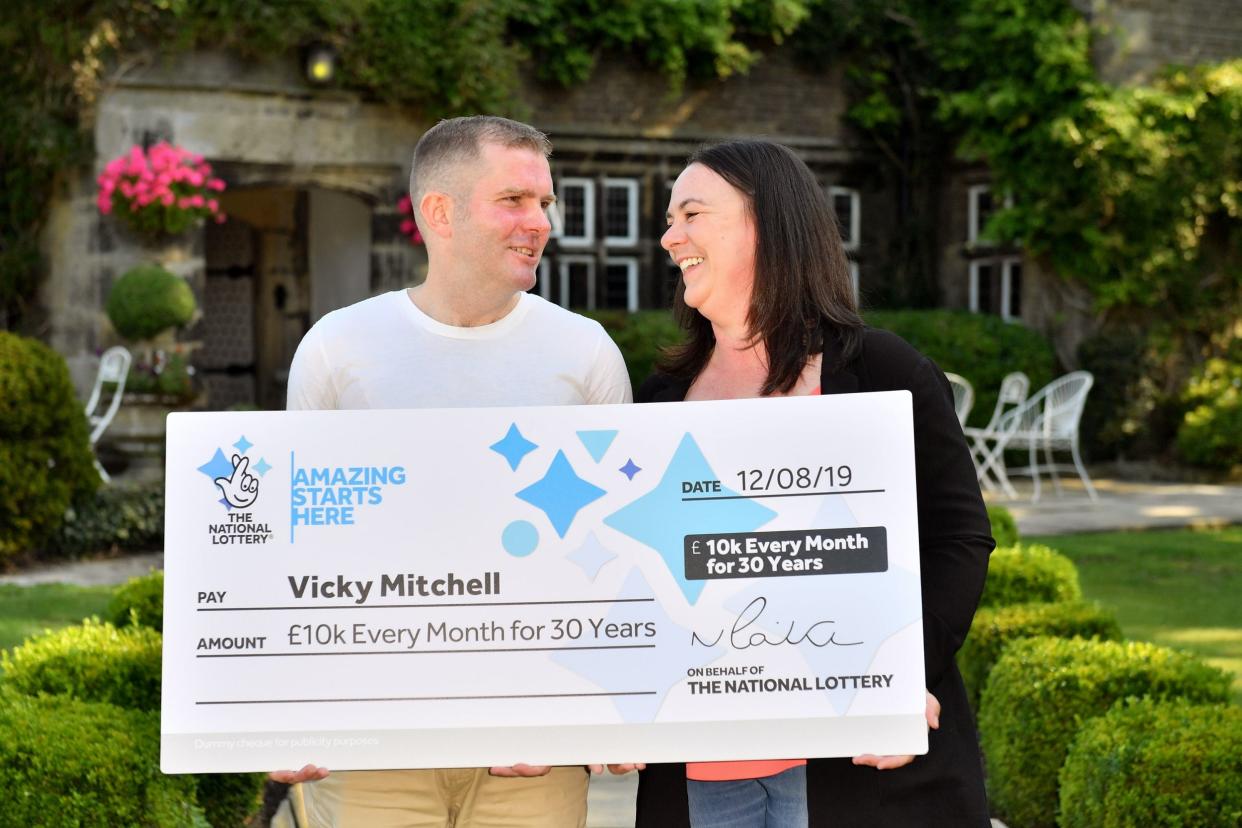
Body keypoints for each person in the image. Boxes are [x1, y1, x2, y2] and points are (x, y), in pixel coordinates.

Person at [271, 115, 632, 828]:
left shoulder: (585, 352)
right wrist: (281, 712)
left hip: (534, 749)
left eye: (545, 203)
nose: (539, 222)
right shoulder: (338, 349)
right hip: (372, 749)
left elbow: (615, 549)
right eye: (514, 200)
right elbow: (291, 548)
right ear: (438, 211)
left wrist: (610, 709)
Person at [630, 140, 994, 827]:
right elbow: (635, 577)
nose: (669, 236)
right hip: (701, 769)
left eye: (692, 214)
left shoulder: (883, 371)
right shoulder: (658, 401)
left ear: (764, 225)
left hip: (844, 768)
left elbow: (959, 539)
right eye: (670, 218)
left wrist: (897, 674)